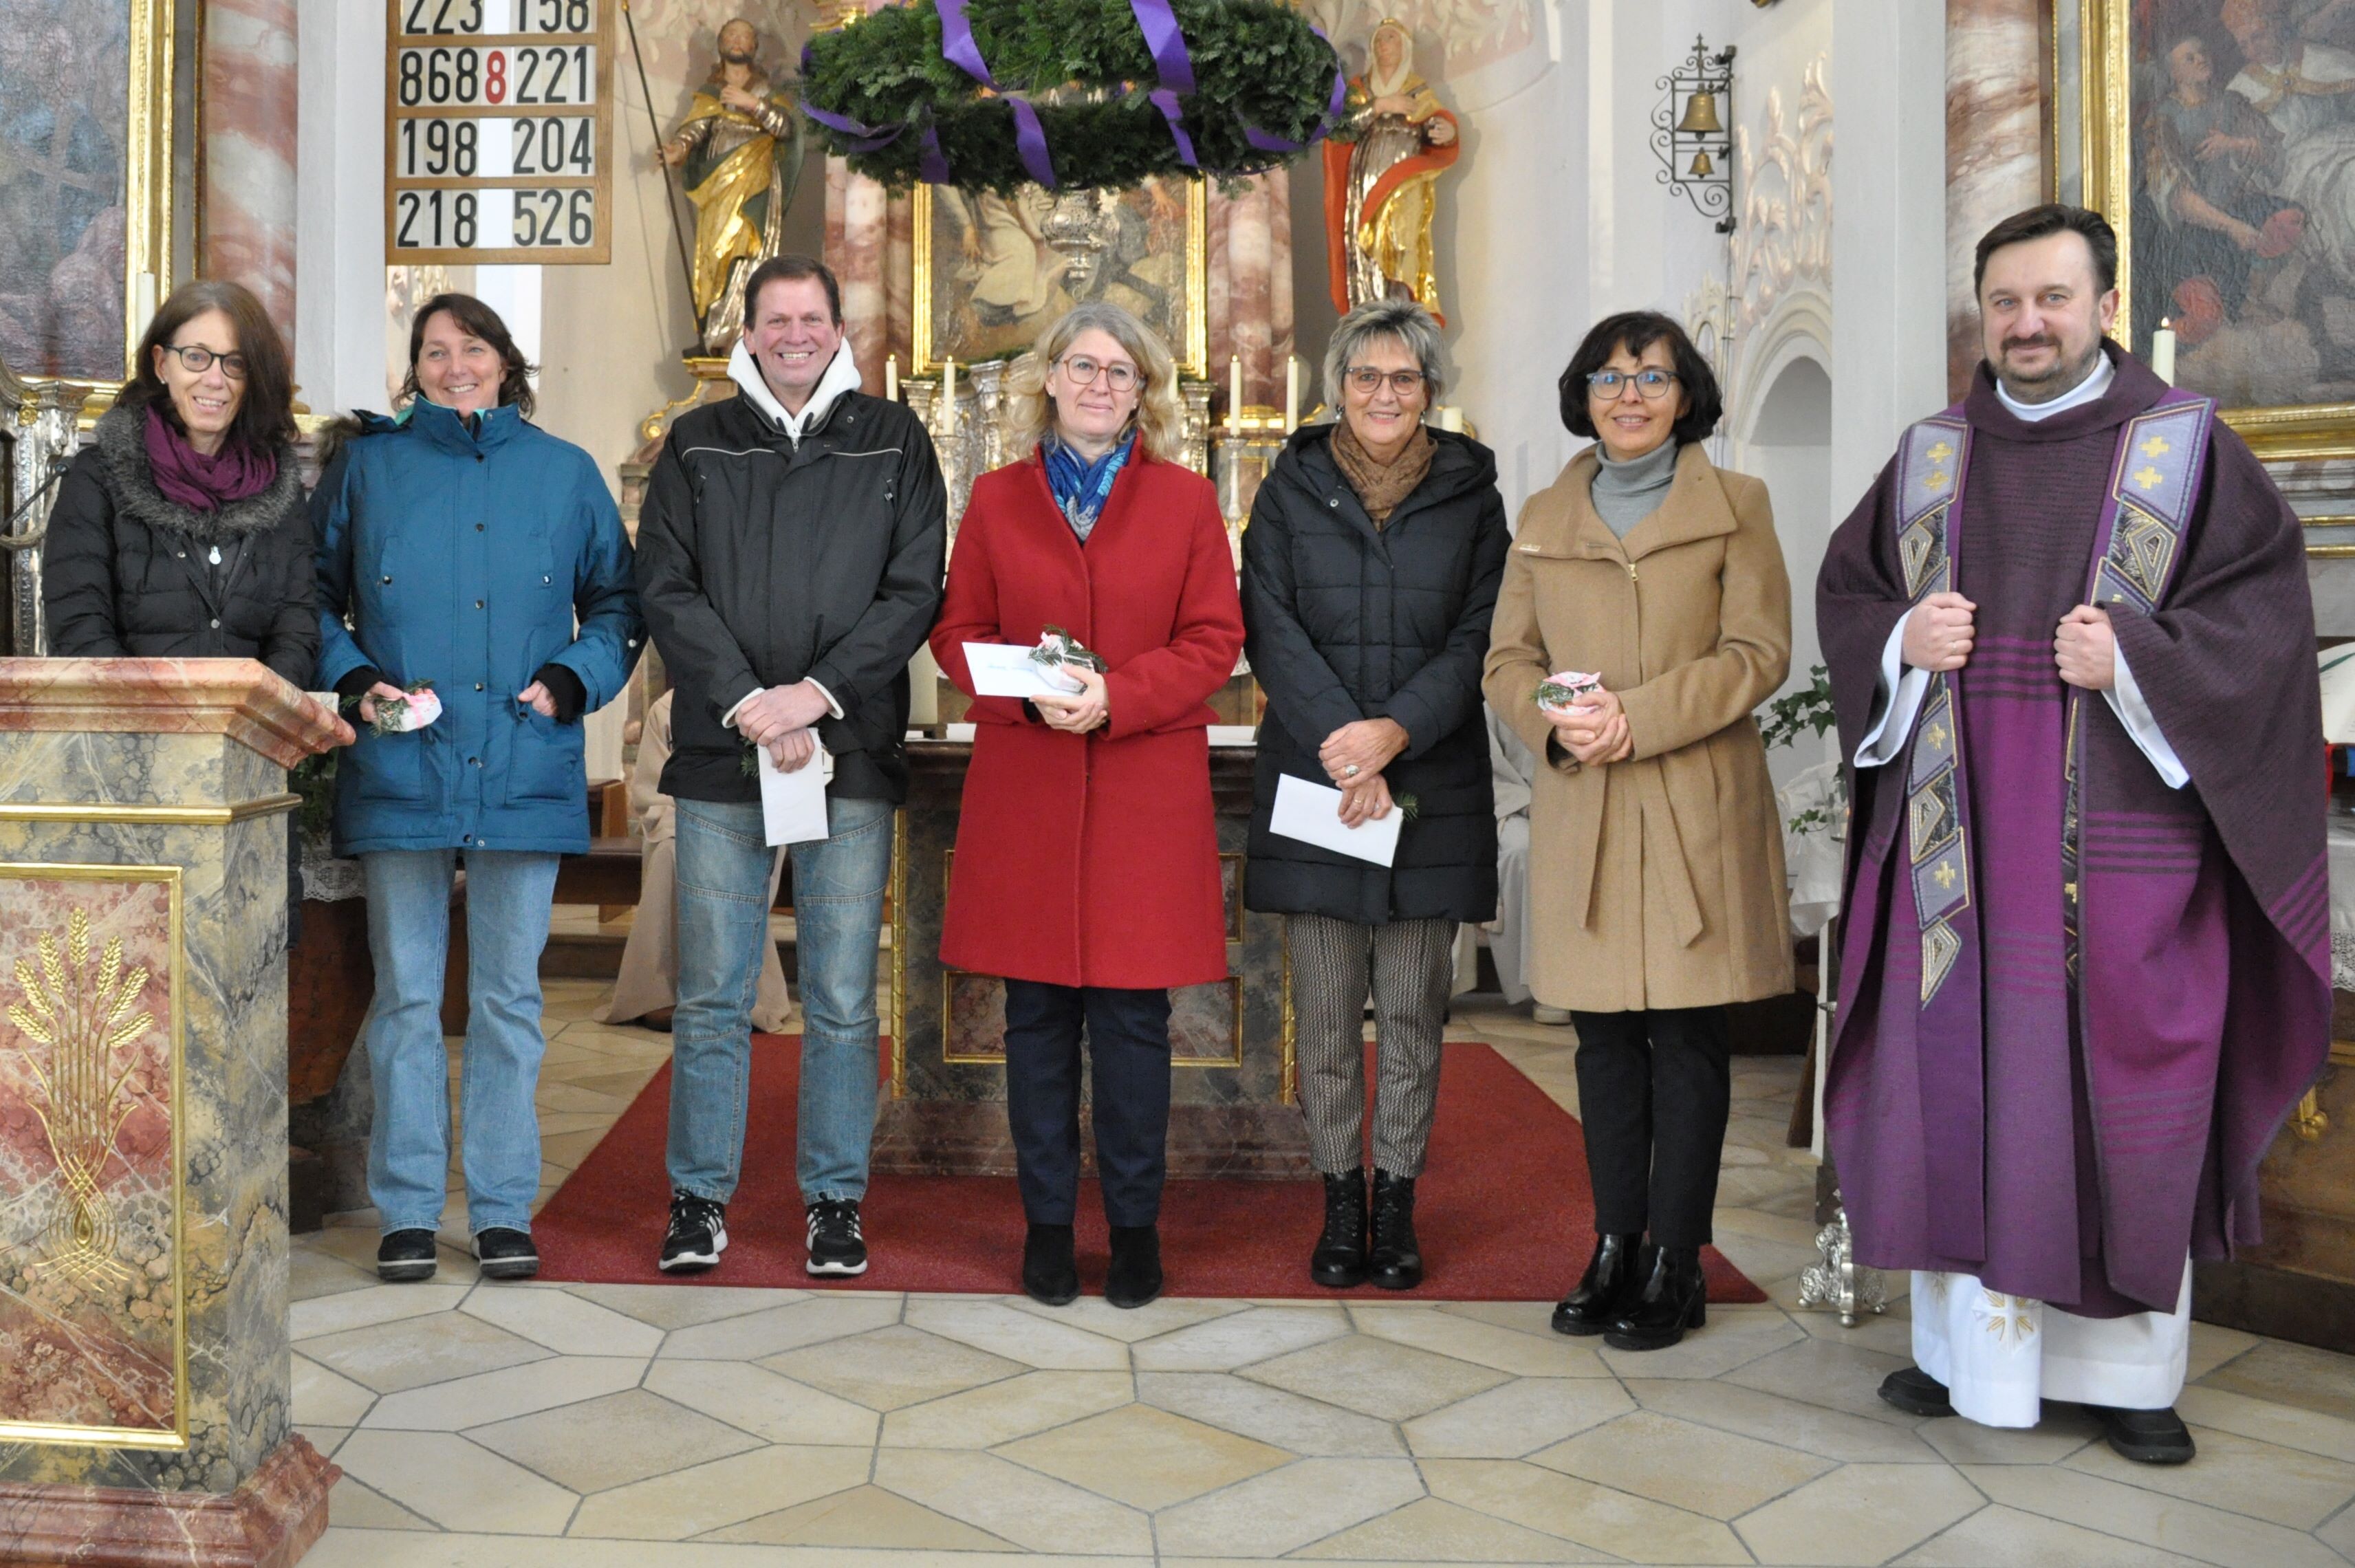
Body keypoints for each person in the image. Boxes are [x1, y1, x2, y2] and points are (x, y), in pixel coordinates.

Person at [1817, 204, 2328, 1464]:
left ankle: (2127, 1378)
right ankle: (1955, 1359)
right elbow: (1850, 594)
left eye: (2049, 298)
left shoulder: (2185, 449)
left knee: (2115, 1098)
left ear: (2103, 304)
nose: (2024, 324)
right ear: (1980, 314)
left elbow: (2264, 641)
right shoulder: (1929, 454)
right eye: (2002, 302)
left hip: (2122, 866)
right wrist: (1896, 643)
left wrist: (2141, 659)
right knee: (1956, 1085)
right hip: (1955, 851)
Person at [313, 292, 643, 1285]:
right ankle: (409, 1210)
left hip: (522, 757)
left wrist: (578, 676)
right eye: (433, 351)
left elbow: (620, 601)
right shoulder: (366, 468)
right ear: (412, 369)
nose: (455, 365)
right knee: (408, 996)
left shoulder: (567, 472)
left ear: (506, 361)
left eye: (473, 348)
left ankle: (502, 1208)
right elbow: (312, 596)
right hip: (400, 760)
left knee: (507, 998)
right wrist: (360, 681)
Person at [1484, 309, 1793, 1351]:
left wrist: (1638, 716)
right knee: (1605, 1043)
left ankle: (1679, 1262)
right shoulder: (1540, 515)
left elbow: (1759, 652)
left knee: (1690, 1042)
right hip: (1592, 805)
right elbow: (1506, 663)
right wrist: (1558, 720)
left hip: (1694, 795)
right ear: (1583, 393)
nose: (1630, 395)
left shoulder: (1738, 505)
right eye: (1612, 377)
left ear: (1685, 393)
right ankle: (1614, 1244)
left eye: (1653, 378)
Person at [636, 254, 946, 1278]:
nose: (796, 334)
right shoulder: (696, 442)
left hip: (845, 750)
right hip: (728, 753)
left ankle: (834, 1201)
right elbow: (667, 589)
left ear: (839, 327)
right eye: (778, 319)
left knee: (847, 997)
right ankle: (698, 1197)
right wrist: (749, 702)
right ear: (752, 332)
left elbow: (913, 592)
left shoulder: (894, 440)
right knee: (715, 993)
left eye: (813, 317)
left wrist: (815, 696)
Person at [931, 302, 1242, 1310]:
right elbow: (957, 630)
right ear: (1050, 379)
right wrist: (1030, 688)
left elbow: (1213, 641)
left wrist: (1117, 696)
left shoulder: (1187, 502)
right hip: (1027, 786)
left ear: (1142, 392)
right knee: (1035, 1023)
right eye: (1083, 365)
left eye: (1121, 371)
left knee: (1134, 1025)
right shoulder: (996, 498)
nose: (1101, 384)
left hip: (1145, 791)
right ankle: (1050, 1229)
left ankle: (1139, 1233)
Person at [1241, 299, 1508, 1292]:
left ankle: (1394, 1200)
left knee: (1410, 1012)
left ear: (1430, 391)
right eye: (1367, 378)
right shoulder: (1290, 484)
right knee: (1321, 1022)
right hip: (1319, 782)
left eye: (1404, 379)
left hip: (1428, 787)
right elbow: (1268, 620)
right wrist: (1348, 749)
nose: (1385, 395)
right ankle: (1337, 1201)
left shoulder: (1473, 492)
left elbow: (1482, 632)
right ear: (1337, 388)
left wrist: (1396, 734)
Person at [42, 279, 319, 943]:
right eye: (197, 357)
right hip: (133, 771)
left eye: (234, 362)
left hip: (250, 771)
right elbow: (81, 628)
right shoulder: (99, 478)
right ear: (161, 363)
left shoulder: (280, 489)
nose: (214, 379)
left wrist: (259, 725)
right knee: (140, 966)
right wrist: (155, 735)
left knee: (251, 960)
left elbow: (298, 619)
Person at [595, 689, 795, 1035]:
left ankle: (747, 994)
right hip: (680, 821)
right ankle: (657, 994)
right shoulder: (668, 708)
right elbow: (653, 793)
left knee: (739, 861)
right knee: (674, 854)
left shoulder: (774, 702)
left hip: (757, 822)